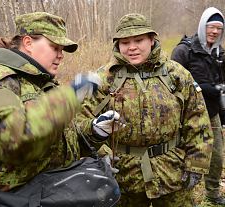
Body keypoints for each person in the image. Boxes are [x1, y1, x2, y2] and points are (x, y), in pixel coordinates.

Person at [76, 13, 214, 207]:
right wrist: (100, 159)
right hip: (122, 177)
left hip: (171, 173)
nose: (132, 47)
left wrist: (196, 164)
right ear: (118, 45)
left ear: (151, 39)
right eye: (125, 42)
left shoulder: (177, 75)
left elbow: (197, 120)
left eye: (139, 40)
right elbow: (81, 126)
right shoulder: (103, 79)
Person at [0, 12, 112, 192]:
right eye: (55, 47)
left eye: (62, 50)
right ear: (28, 43)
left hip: (49, 196)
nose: (60, 55)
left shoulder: (43, 84)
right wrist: (69, 97)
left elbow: (58, 144)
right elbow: (15, 141)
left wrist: (94, 132)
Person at [171, 7, 225, 207]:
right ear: (202, 26)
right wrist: (199, 88)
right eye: (211, 27)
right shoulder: (184, 50)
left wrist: (224, 113)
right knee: (187, 156)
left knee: (216, 155)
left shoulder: (219, 52)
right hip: (188, 115)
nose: (215, 32)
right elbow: (171, 83)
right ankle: (184, 196)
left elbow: (221, 84)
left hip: (213, 113)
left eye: (219, 28)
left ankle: (213, 194)